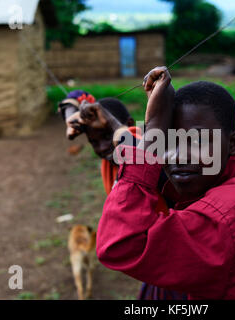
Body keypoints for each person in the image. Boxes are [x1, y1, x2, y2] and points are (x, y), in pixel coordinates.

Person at [93, 67, 235, 299]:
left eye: (198, 140)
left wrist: (153, 129)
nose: (178, 156)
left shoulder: (231, 212)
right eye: (167, 143)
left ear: (232, 142)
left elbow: (119, 244)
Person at [58, 90, 188, 300]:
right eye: (94, 142)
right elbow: (77, 94)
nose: (102, 146)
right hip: (154, 259)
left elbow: (142, 158)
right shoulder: (111, 163)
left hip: (178, 256)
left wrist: (113, 126)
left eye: (107, 135)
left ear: (126, 123)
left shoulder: (152, 151)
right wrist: (71, 112)